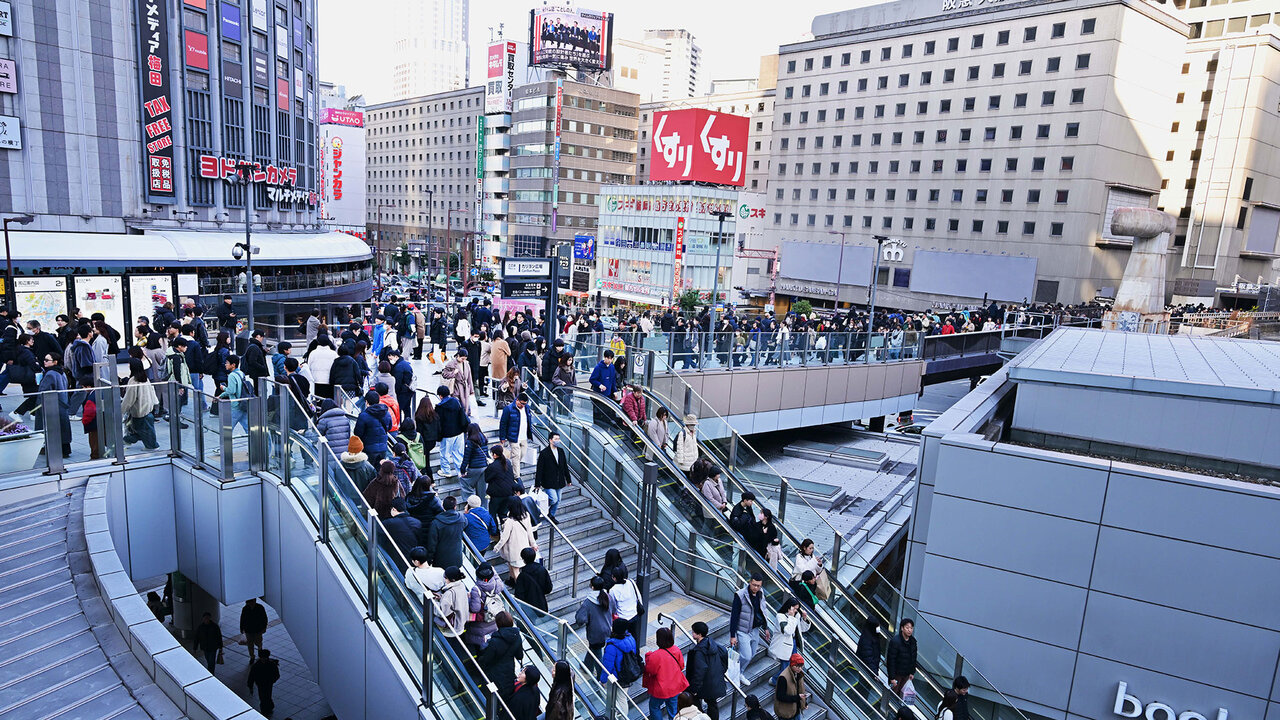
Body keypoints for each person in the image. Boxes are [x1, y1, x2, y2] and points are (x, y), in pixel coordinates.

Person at [478, 612, 524, 708]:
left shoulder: (494, 641)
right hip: (509, 672)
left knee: (492, 698)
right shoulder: (517, 636)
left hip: (494, 674)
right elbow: (520, 655)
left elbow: (487, 659)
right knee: (506, 698)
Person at [575, 575, 619, 673]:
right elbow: (614, 610)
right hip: (607, 629)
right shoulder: (608, 597)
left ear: (592, 587)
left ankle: (601, 677)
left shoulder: (588, 602)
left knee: (598, 656)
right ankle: (587, 666)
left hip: (595, 633)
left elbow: (580, 619)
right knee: (593, 649)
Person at [730, 573, 770, 677]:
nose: (756, 587)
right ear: (750, 582)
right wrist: (733, 635)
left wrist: (766, 627)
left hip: (755, 629)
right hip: (742, 630)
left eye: (758, 586)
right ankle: (736, 673)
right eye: (754, 585)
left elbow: (763, 610)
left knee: (751, 654)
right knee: (746, 656)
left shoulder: (760, 593)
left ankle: (739, 672)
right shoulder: (740, 595)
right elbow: (734, 616)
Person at [685, 621, 728, 720]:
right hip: (714, 681)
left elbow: (700, 671)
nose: (692, 634)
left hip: (705, 683)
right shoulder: (712, 644)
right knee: (712, 704)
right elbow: (724, 653)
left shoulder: (699, 651)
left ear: (699, 635)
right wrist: (721, 671)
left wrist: (694, 688)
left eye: (694, 632)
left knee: (694, 701)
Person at [644, 626, 689, 720]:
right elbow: (682, 666)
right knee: (673, 709)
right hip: (675, 686)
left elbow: (650, 671)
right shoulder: (676, 650)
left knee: (654, 707)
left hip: (661, 689)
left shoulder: (655, 655)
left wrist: (648, 657)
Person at [465, 563, 506, 652]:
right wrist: (492, 569)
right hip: (494, 618)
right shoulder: (496, 584)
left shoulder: (476, 589)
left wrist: (469, 598)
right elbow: (497, 578)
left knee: (482, 645)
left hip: (482, 623)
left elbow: (475, 608)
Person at [493, 499, 537, 583]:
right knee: (513, 566)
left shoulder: (509, 521)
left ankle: (519, 588)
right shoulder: (526, 515)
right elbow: (529, 532)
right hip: (524, 547)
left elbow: (504, 538)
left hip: (513, 550)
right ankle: (512, 580)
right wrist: (533, 544)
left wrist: (496, 548)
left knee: (516, 571)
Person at [769, 598, 812, 680]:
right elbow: (788, 631)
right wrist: (791, 617)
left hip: (793, 643)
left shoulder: (796, 615)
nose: (796, 611)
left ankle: (780, 681)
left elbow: (801, 629)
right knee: (786, 667)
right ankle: (775, 680)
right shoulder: (781, 616)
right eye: (794, 608)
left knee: (794, 665)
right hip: (783, 644)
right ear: (789, 607)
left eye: (797, 609)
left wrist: (804, 619)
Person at [122, 359, 160, 450]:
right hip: (148, 408)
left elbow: (129, 398)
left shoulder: (133, 380)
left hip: (139, 410)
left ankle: (152, 446)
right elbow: (151, 391)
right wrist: (154, 402)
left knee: (143, 430)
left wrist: (122, 409)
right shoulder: (145, 378)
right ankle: (127, 440)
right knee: (144, 429)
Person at [535, 431, 570, 521]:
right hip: (548, 481)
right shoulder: (544, 453)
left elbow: (565, 466)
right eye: (556, 439)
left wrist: (568, 479)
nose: (558, 441)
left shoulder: (561, 451)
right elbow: (539, 469)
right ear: (550, 440)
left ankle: (551, 515)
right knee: (554, 499)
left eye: (558, 439)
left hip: (559, 481)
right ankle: (540, 508)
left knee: (558, 500)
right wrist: (537, 484)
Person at [426, 495, 467, 570]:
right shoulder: (462, 518)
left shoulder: (436, 523)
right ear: (455, 507)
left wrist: (429, 559)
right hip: (456, 558)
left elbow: (432, 544)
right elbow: (465, 524)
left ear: (443, 507)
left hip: (440, 560)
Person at [435, 385, 468, 479]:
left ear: (440, 396)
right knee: (458, 454)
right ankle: (460, 472)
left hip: (447, 435)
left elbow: (439, 424)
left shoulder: (439, 407)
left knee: (445, 453)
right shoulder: (455, 402)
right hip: (459, 432)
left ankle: (446, 471)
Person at [354, 390, 393, 467]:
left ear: (367, 402)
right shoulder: (386, 413)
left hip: (368, 450)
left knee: (370, 473)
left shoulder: (363, 415)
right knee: (380, 472)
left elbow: (358, 433)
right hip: (383, 449)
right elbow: (390, 427)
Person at [485, 444, 522, 521]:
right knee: (503, 514)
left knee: (492, 514)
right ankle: (505, 529)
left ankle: (495, 532)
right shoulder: (507, 462)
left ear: (495, 455)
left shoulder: (493, 466)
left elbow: (487, 479)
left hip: (496, 495)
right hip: (508, 493)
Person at [608, 565, 644, 641]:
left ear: (614, 578)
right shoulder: (631, 582)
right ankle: (635, 651)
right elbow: (638, 596)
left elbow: (613, 606)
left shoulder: (613, 590)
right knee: (634, 636)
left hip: (623, 618)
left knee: (622, 638)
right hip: (634, 614)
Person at [512, 546, 552, 612]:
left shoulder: (522, 576)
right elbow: (549, 588)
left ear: (523, 559)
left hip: (528, 608)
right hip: (541, 605)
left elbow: (519, 595)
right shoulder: (542, 569)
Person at [599, 618, 638, 685]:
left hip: (617, 677)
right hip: (629, 673)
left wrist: (603, 680)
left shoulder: (611, 647)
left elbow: (608, 666)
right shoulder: (631, 638)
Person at [886, 618, 918, 698]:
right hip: (897, 674)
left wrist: (912, 672)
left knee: (902, 693)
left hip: (906, 674)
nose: (909, 630)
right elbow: (891, 660)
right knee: (893, 693)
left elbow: (913, 658)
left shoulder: (913, 641)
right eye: (907, 628)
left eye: (911, 628)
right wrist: (892, 677)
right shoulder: (895, 641)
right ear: (902, 628)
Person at [774, 654, 809, 720]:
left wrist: (804, 702)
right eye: (797, 666)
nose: (800, 669)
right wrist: (798, 697)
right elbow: (780, 696)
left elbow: (800, 689)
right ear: (792, 665)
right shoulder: (783, 677)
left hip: (796, 710)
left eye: (801, 666)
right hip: (786, 713)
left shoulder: (799, 673)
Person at [414, 395, 441, 478]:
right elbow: (438, 428)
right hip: (432, 441)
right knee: (426, 460)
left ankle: (430, 479)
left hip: (424, 441)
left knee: (426, 461)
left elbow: (419, 431)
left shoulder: (419, 416)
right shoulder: (435, 415)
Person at [246, 648, 280, 716]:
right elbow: (251, 676)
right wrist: (250, 685)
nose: (263, 659)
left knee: (265, 696)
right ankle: (268, 707)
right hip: (263, 683)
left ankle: (266, 708)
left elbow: (251, 676)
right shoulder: (270, 664)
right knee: (265, 696)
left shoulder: (257, 666)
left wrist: (250, 685)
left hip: (265, 683)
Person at [442, 349, 475, 414]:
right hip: (456, 387)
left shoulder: (466, 363)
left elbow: (469, 377)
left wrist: (471, 390)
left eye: (465, 359)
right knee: (457, 403)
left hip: (465, 387)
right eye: (462, 358)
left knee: (465, 404)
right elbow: (444, 374)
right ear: (458, 356)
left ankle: (464, 417)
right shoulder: (451, 363)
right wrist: (453, 373)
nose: (463, 360)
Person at [240, 597, 269, 664]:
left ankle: (259, 650)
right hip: (249, 630)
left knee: (258, 642)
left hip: (258, 630)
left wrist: (264, 627)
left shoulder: (260, 608)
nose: (250, 604)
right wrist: (242, 628)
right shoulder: (245, 609)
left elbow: (264, 618)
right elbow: (242, 619)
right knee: (250, 645)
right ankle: (252, 656)